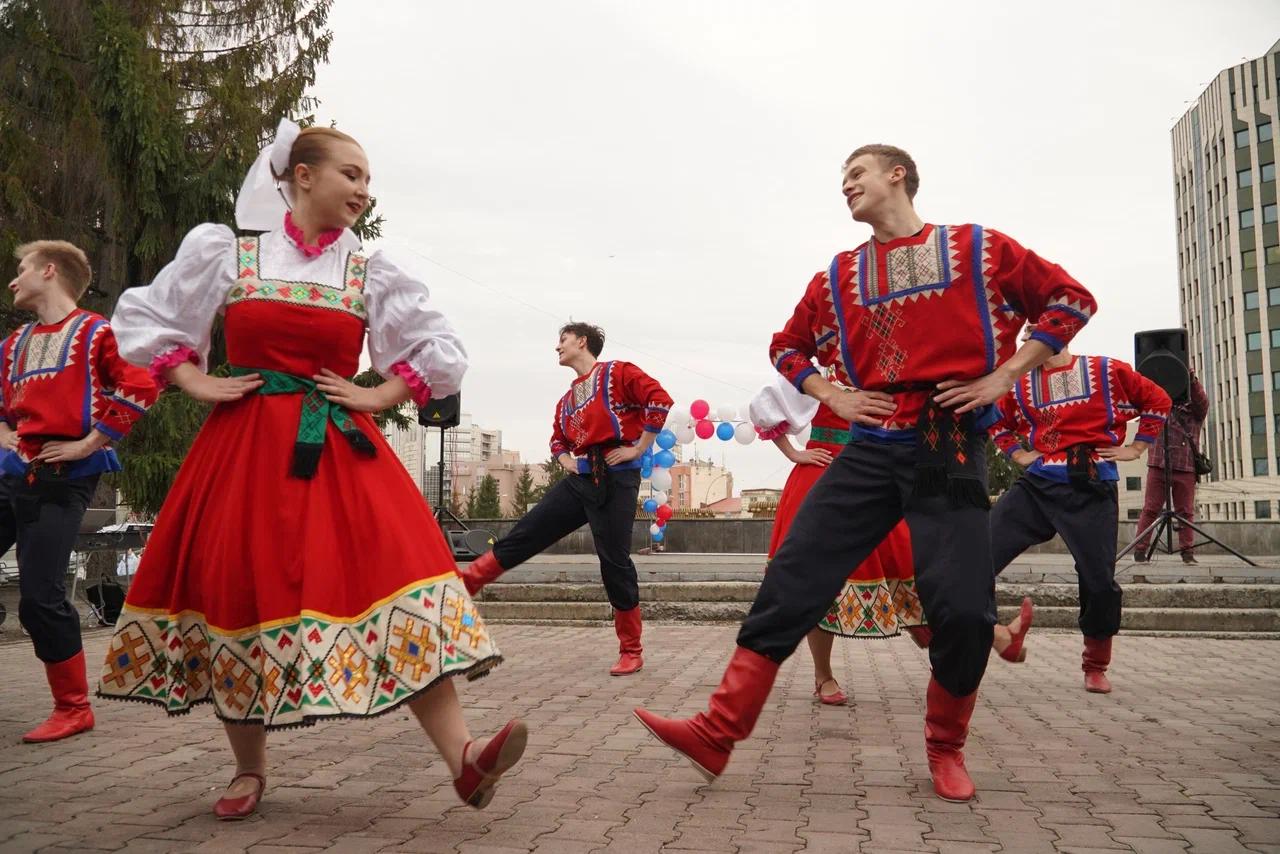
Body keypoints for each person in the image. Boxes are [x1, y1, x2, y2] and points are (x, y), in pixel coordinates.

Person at [634, 144, 1096, 802]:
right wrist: (833, 395)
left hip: (948, 442)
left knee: (963, 608)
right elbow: (786, 346)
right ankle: (717, 730)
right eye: (842, 179)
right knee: (793, 576)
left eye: (856, 174)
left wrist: (1005, 375)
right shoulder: (837, 276)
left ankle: (946, 747)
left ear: (897, 175)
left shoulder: (977, 249)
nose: (846, 186)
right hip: (872, 443)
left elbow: (1070, 300)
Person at [96, 119, 522, 819]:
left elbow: (435, 348)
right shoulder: (229, 255)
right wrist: (197, 381)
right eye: (350, 174)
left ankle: (467, 759)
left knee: (399, 580)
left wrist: (381, 393)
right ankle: (248, 771)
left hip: (341, 451)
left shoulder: (367, 269)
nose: (362, 189)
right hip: (246, 450)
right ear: (302, 176)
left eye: (367, 180)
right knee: (239, 589)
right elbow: (153, 323)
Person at [752, 375, 1033, 707]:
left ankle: (991, 638)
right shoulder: (820, 369)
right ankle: (823, 675)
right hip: (827, 470)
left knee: (913, 567)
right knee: (818, 575)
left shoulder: (881, 363)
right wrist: (796, 453)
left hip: (885, 473)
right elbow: (765, 405)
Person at [0, 240, 158, 743]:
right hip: (9, 470)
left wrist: (90, 441)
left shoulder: (98, 334)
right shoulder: (12, 345)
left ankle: (73, 707)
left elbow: (141, 384)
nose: (12, 280)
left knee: (41, 595)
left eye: (20, 270)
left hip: (62, 479)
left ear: (49, 271)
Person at [460, 323, 672, 676]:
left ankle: (631, 650)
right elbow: (558, 440)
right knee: (529, 530)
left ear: (581, 341)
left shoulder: (619, 372)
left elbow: (659, 400)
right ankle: (467, 583)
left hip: (617, 479)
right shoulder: (568, 399)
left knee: (614, 560)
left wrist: (638, 448)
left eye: (562, 340)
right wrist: (565, 462)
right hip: (580, 479)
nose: (557, 347)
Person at [989, 325, 1171, 693]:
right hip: (1039, 485)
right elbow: (994, 420)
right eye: (1027, 343)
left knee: (1098, 579)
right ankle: (996, 637)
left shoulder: (1107, 370)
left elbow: (1159, 401)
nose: (1028, 349)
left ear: (1059, 339)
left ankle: (1095, 664)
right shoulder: (1021, 384)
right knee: (978, 554)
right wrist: (1018, 454)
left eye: (1034, 341)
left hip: (1091, 484)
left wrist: (1137, 448)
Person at [1133, 371, 1208, 563]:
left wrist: (1191, 379)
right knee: (1151, 509)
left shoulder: (1194, 412)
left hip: (1185, 466)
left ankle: (1187, 552)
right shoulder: (1159, 406)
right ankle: (1140, 549)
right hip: (1159, 465)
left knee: (1185, 512)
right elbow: (1141, 403)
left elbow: (1202, 402)